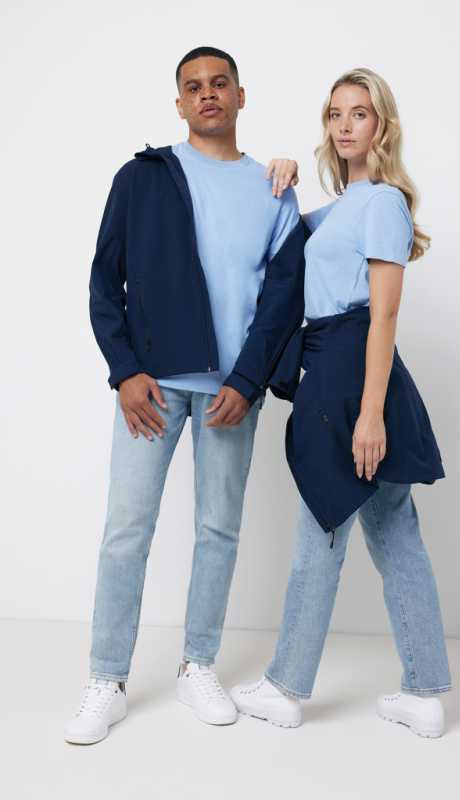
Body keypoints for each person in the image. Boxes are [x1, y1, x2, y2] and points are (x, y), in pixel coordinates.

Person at [64, 46, 306, 745]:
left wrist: (248, 380)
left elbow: (284, 296)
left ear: (240, 96)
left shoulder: (273, 188)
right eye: (194, 87)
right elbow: (104, 282)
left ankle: (197, 664)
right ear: (179, 103)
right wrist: (125, 371)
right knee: (126, 530)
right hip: (154, 388)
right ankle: (107, 678)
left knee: (218, 530)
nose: (207, 94)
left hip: (232, 392)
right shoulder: (142, 178)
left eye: (219, 83)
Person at [230, 67, 453, 738]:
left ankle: (285, 688)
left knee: (320, 533)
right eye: (335, 114)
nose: (345, 125)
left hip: (352, 376)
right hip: (337, 367)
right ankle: (424, 693)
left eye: (359, 113)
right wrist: (281, 172)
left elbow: (383, 316)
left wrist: (371, 414)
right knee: (396, 535)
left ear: (381, 124)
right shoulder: (344, 207)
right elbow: (285, 236)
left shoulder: (382, 203)